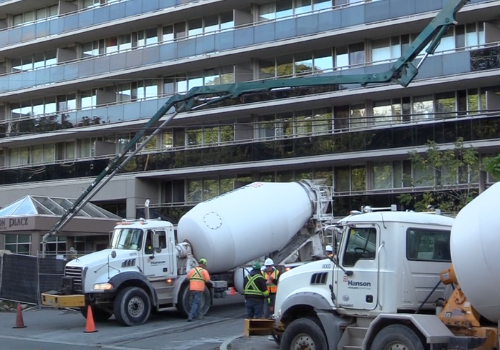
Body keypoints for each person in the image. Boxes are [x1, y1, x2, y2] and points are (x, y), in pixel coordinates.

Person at [186, 258, 210, 322]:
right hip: (199, 289)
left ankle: (199, 315)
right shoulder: (204, 271)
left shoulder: (192, 270)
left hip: (192, 289)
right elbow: (207, 280)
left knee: (197, 302)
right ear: (204, 264)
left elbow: (188, 277)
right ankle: (190, 316)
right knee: (196, 302)